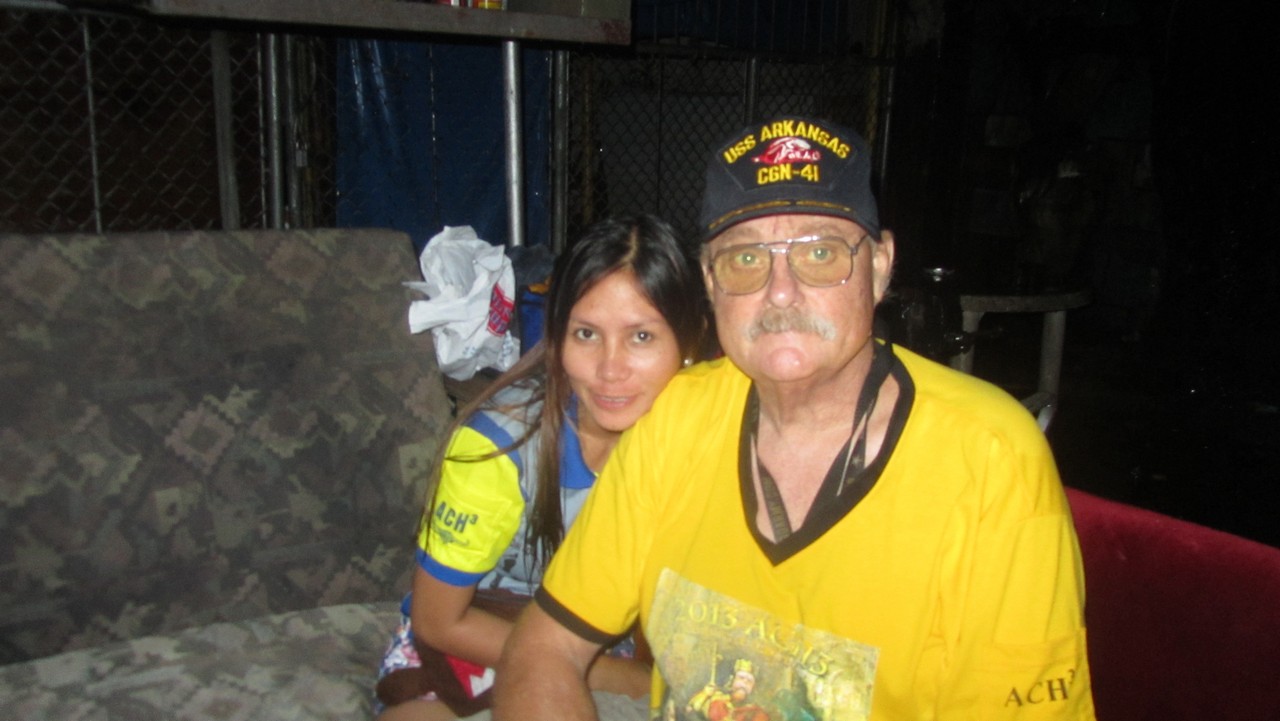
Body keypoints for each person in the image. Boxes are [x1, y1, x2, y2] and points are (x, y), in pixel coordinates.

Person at [494, 115, 1096, 721]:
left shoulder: (990, 458)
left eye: (820, 252)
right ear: (710, 281)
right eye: (745, 258)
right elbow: (545, 645)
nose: (780, 291)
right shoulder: (675, 419)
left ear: (880, 266)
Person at [375, 213, 707, 721]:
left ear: (688, 343)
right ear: (557, 335)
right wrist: (620, 678)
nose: (610, 369)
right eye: (586, 334)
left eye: (641, 337)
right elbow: (439, 622)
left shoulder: (699, 436)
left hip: (596, 641)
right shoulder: (495, 449)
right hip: (475, 639)